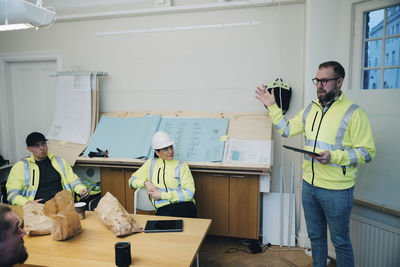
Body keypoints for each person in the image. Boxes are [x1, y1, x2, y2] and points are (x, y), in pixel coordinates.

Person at [255, 61, 376, 267]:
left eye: (325, 81)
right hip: (310, 187)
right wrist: (272, 106)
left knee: (340, 242)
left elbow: (367, 152)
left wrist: (334, 157)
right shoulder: (310, 108)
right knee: (316, 239)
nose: (319, 85)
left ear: (339, 82)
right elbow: (286, 130)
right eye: (317, 80)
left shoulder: (354, 113)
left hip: (337, 191)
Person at [6, 132, 89, 206]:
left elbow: (73, 180)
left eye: (43, 144)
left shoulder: (59, 161)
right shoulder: (21, 166)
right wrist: (27, 203)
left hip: (63, 204)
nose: (42, 148)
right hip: (38, 206)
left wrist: (81, 189)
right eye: (37, 146)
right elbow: (12, 194)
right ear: (29, 149)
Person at [129, 131, 196, 218]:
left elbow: (189, 193)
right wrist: (146, 183)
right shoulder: (150, 164)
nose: (170, 151)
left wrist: (161, 195)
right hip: (164, 209)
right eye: (165, 149)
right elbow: (131, 181)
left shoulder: (182, 166)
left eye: (171, 147)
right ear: (157, 152)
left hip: (184, 206)